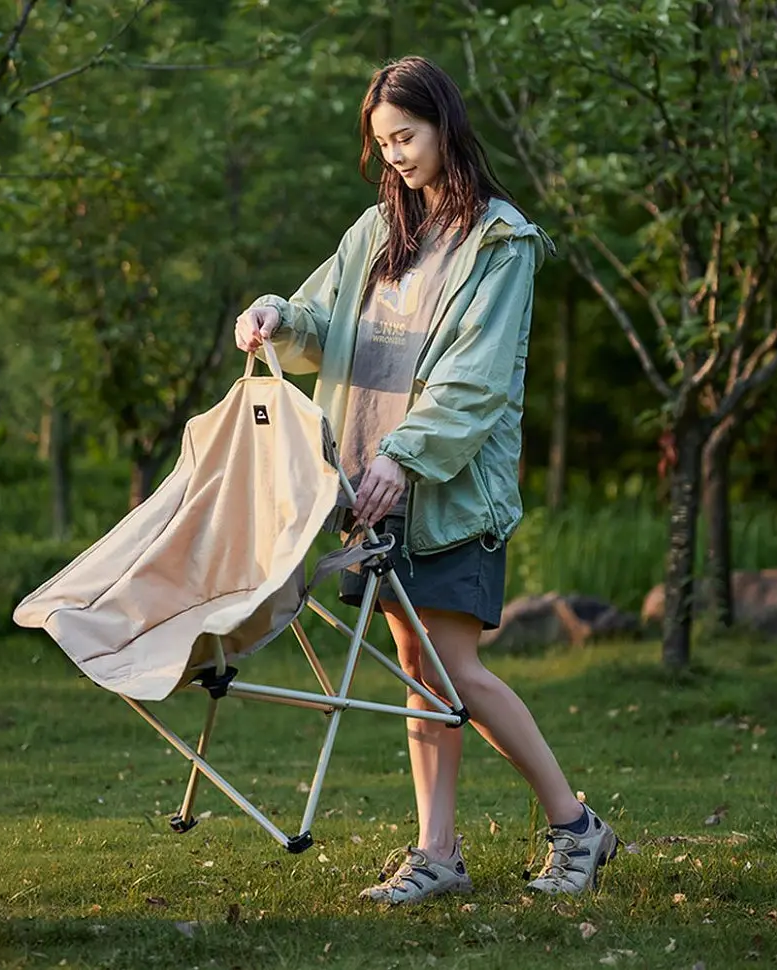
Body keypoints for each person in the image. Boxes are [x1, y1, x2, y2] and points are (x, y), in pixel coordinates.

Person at [234, 55, 617, 905]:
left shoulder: (500, 244)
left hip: (446, 490)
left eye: (406, 136)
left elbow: (474, 382)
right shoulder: (378, 230)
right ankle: (438, 852)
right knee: (420, 671)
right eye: (383, 144)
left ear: (445, 125)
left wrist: (405, 457)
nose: (396, 156)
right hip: (368, 487)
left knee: (456, 670)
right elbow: (322, 323)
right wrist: (275, 315)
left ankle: (578, 828)